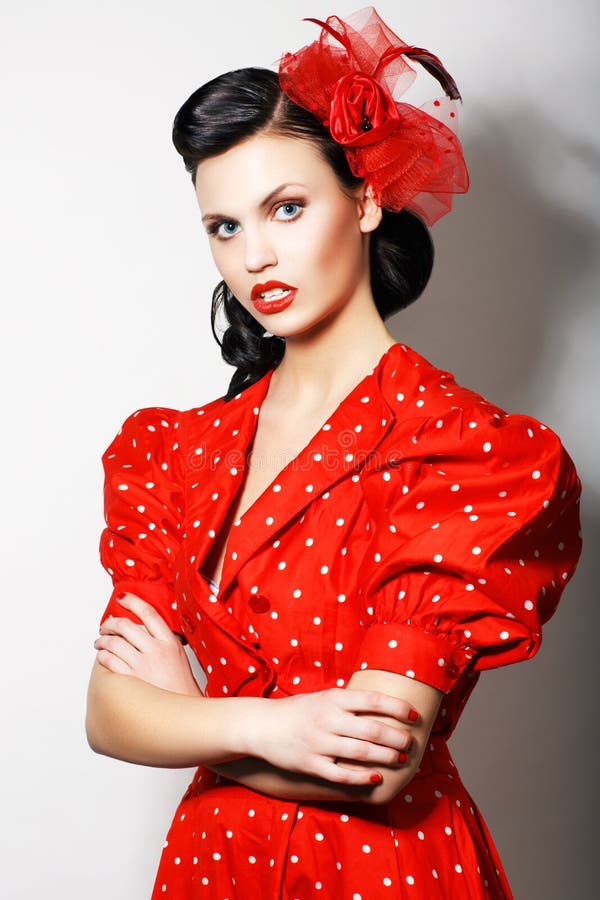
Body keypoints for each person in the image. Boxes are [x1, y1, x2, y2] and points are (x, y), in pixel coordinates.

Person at [86, 7, 583, 898]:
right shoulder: (175, 450)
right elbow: (111, 714)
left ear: (363, 199)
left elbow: (375, 767)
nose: (256, 255)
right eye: (224, 226)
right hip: (211, 866)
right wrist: (275, 728)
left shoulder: (465, 447)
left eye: (285, 207)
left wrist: (194, 717)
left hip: (381, 867)